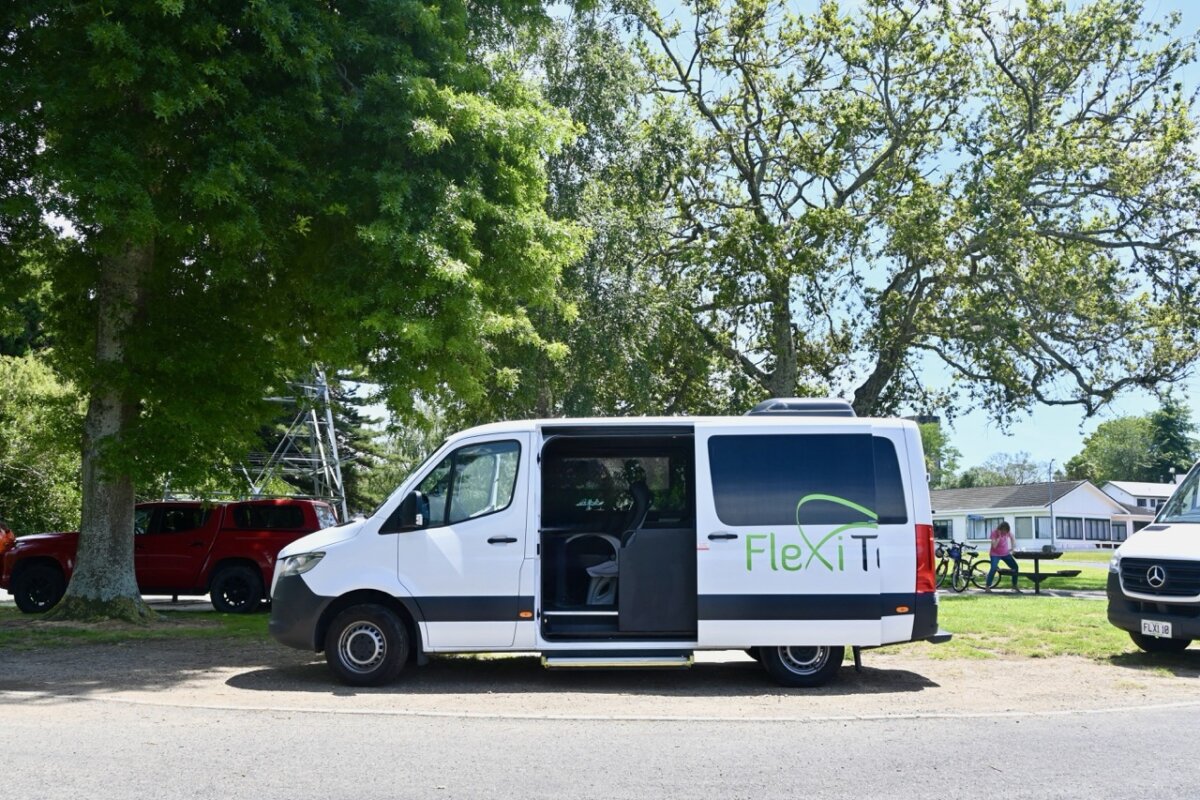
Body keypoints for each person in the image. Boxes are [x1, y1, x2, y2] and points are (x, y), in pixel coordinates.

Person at [986, 521, 1020, 592]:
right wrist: (999, 537)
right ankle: (987, 587)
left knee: (1015, 567)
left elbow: (1013, 538)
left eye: (1006, 531)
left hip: (1005, 554)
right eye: (1003, 531)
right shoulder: (994, 533)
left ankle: (1014, 585)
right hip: (995, 554)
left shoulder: (1007, 532)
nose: (1005, 533)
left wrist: (1013, 548)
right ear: (1000, 529)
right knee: (993, 568)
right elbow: (994, 546)